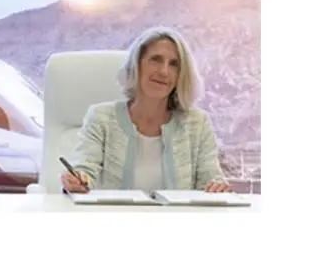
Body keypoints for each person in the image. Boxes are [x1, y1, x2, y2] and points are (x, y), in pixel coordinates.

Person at [61, 25, 231, 194]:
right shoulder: (101, 118)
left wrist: (217, 187)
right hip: (116, 213)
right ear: (136, 65)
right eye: (156, 59)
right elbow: (85, 169)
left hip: (177, 213)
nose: (164, 71)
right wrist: (77, 179)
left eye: (174, 64)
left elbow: (211, 179)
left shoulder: (198, 123)